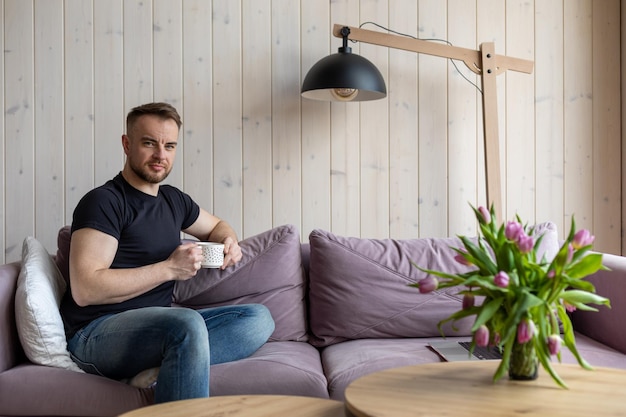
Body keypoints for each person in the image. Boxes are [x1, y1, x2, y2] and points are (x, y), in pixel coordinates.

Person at [59, 102, 275, 403]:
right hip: (94, 334)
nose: (161, 155)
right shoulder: (103, 202)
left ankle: (160, 368)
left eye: (169, 145)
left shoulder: (174, 201)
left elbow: (219, 226)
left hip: (157, 330)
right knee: (186, 324)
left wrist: (229, 241)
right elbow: (86, 289)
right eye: (150, 143)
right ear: (127, 144)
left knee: (259, 318)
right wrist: (169, 269)